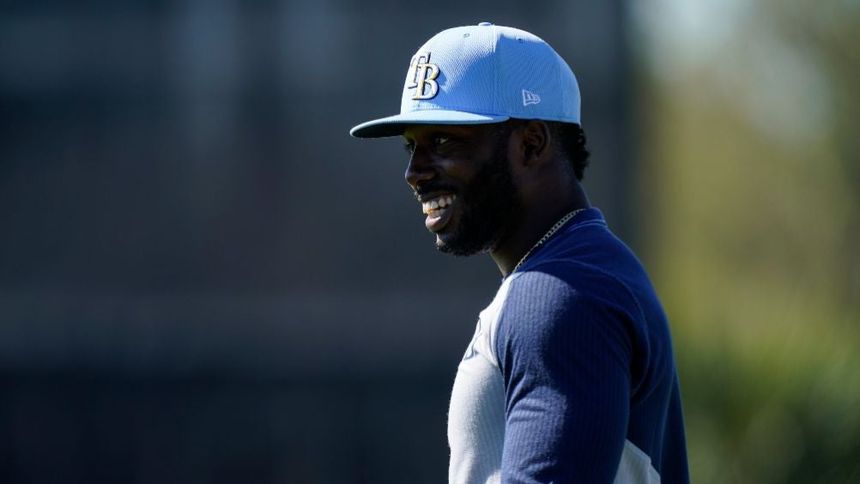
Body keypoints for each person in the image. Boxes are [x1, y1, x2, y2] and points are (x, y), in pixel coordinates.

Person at [350, 23, 689, 484]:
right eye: (413, 146)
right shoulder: (582, 271)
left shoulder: (560, 296)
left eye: (444, 140)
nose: (414, 172)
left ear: (531, 144)